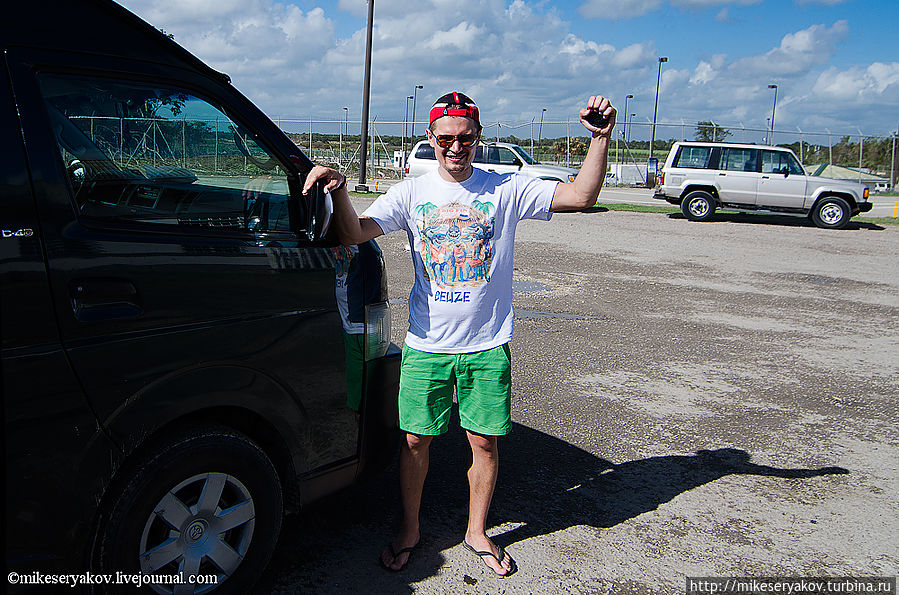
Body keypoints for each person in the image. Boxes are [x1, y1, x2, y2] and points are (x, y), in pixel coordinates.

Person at [303, 91, 615, 577]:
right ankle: (410, 528)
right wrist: (339, 189)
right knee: (414, 441)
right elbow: (354, 233)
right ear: (430, 138)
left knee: (485, 443)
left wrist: (600, 138)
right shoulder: (412, 192)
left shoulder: (505, 187)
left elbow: (580, 196)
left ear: (478, 138)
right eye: (446, 138)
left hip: (487, 345)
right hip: (427, 345)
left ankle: (476, 531)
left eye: (465, 138)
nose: (455, 147)